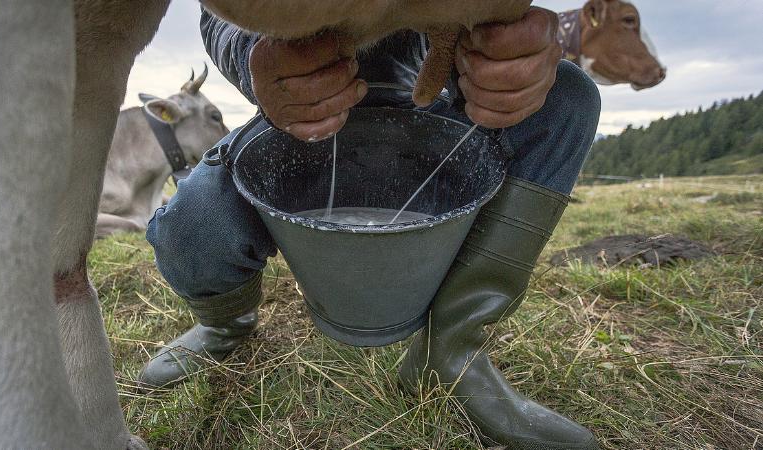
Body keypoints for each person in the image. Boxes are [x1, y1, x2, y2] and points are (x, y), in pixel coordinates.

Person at [140, 6, 601, 449]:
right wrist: (254, 56)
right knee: (191, 227)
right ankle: (225, 327)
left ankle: (452, 356)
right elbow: (218, 13)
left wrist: (506, 59)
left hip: (426, 104)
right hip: (300, 123)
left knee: (568, 94)